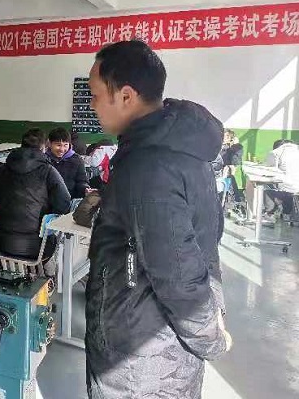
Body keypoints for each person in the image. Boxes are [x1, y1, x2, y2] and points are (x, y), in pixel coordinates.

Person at [85, 40, 231, 399]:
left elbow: (178, 274)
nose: (92, 104)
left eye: (96, 95)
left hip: (142, 367)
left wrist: (210, 338)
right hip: (160, 353)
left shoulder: (149, 166)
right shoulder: (183, 151)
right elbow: (207, 238)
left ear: (126, 96)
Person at [0, 129, 71, 265]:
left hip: (3, 243)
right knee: (55, 239)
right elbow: (64, 204)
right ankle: (44, 273)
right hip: (37, 247)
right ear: (44, 147)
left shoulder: (4, 169)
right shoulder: (48, 171)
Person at [46, 127, 88, 198]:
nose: (62, 149)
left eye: (65, 145)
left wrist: (85, 189)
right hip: (47, 201)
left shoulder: (77, 160)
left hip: (70, 200)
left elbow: (82, 181)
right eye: (58, 145)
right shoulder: (44, 159)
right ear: (49, 144)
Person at [263, 139, 299, 216]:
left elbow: (269, 171)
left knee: (266, 189)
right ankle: (285, 211)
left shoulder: (276, 152)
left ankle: (270, 213)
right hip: (294, 188)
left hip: (289, 188)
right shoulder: (296, 150)